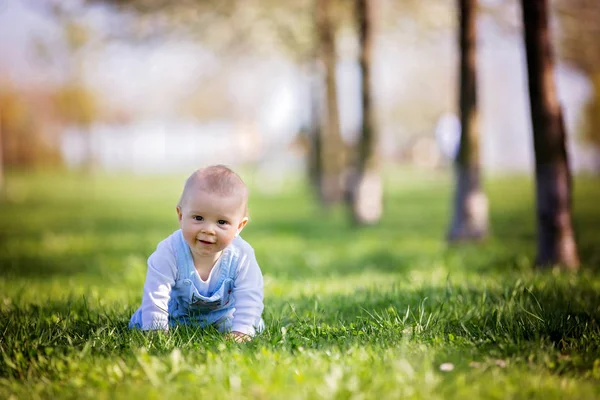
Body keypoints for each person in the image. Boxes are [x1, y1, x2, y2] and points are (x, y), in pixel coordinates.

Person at [129, 165, 264, 342]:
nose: (208, 230)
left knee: (252, 323)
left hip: (223, 317)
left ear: (239, 226)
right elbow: (157, 291)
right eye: (198, 218)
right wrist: (156, 329)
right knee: (141, 321)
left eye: (222, 222)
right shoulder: (170, 250)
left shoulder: (242, 255)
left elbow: (250, 295)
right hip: (177, 314)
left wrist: (242, 331)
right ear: (181, 216)